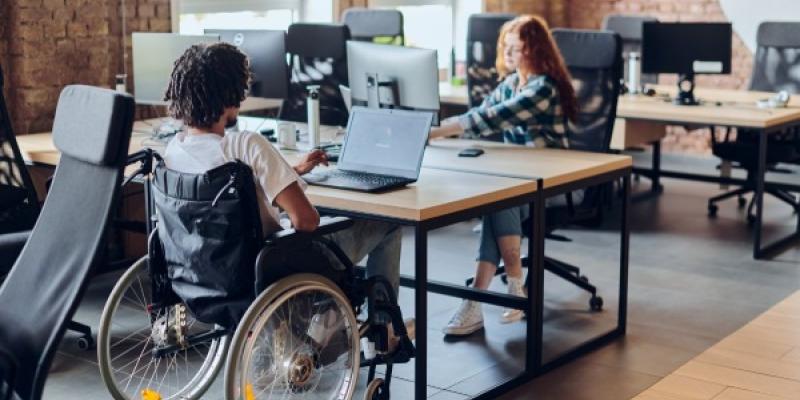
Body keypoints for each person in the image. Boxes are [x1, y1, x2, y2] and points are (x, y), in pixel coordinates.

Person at [161, 41, 403, 302]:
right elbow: (305, 221)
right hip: (270, 263)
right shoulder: (247, 145)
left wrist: (290, 172)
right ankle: (383, 330)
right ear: (230, 94)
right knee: (388, 221)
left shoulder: (174, 149)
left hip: (207, 266)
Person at [429, 15, 580, 336]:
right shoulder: (511, 83)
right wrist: (436, 130)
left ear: (536, 51)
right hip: (520, 178)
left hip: (556, 181)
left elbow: (494, 117)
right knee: (499, 200)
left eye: (517, 47)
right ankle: (508, 288)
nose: (509, 54)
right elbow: (477, 113)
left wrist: (437, 132)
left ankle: (482, 298)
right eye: (506, 47)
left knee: (500, 198)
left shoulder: (544, 88)